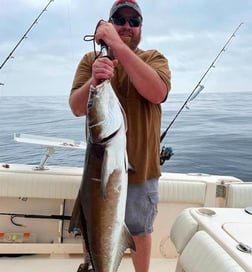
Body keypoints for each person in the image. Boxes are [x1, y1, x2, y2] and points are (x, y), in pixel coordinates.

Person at [69, 1, 171, 271]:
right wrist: (94, 81)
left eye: (133, 21)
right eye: (120, 19)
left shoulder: (153, 59)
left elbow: (157, 92)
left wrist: (119, 48)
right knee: (96, 227)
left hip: (141, 172)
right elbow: (77, 107)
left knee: (139, 230)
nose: (127, 26)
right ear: (110, 22)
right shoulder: (91, 61)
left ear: (140, 27)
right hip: (98, 169)